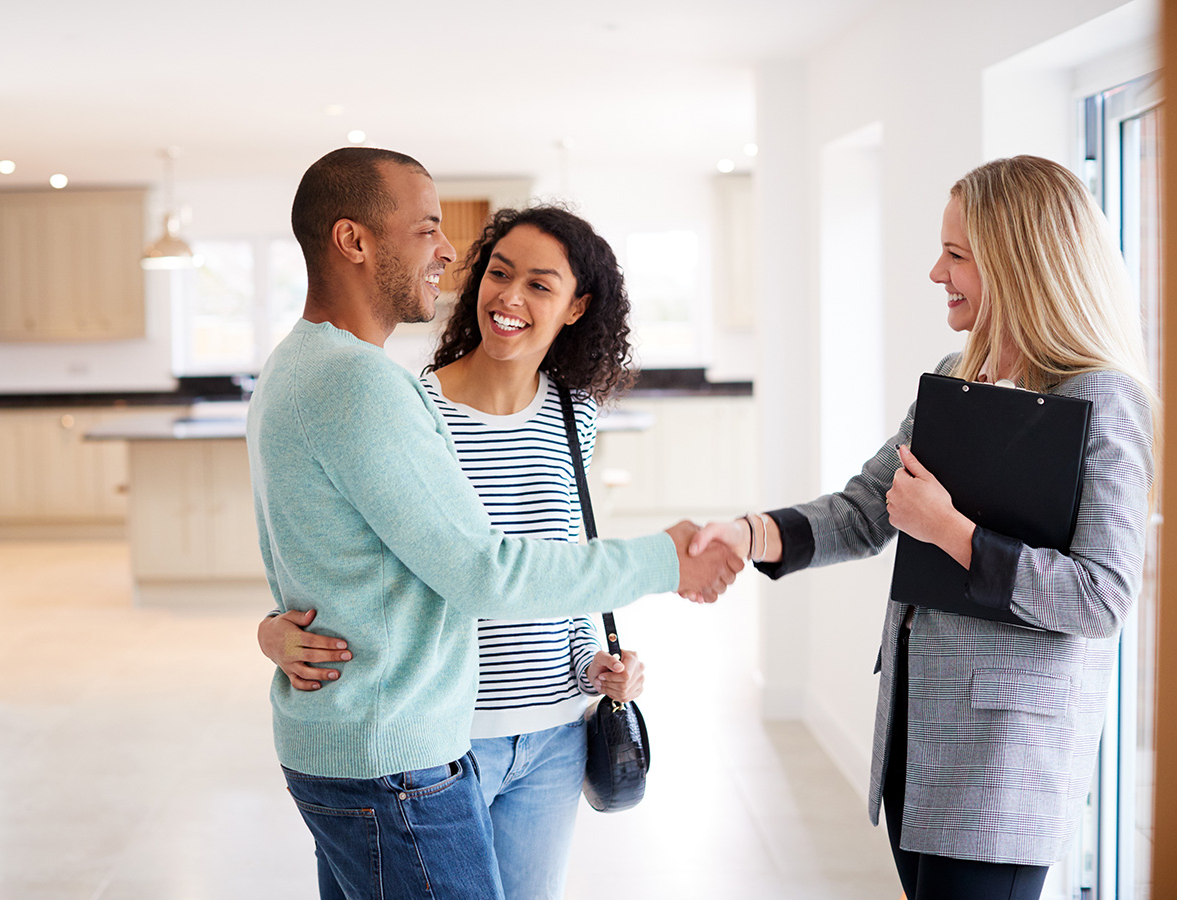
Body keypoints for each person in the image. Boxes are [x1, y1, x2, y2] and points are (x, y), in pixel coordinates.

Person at [247, 146, 741, 900]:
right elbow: (482, 570)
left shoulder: (310, 368)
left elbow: (345, 552)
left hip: (460, 737)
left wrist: (592, 661)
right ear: (354, 241)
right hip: (408, 749)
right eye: (428, 229)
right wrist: (664, 561)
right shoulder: (373, 389)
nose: (451, 254)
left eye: (539, 281)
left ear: (575, 306)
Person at [691, 155, 1155, 900]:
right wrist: (748, 534)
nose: (936, 272)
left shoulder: (1103, 397)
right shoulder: (957, 370)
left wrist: (953, 532)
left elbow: (1100, 600)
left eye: (957, 255)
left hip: (1005, 761)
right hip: (920, 734)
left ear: (1019, 262)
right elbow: (863, 511)